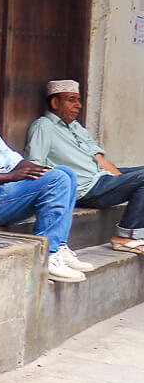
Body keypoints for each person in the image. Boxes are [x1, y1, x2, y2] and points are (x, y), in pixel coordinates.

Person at [0, 73, 92, 282]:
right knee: (58, 179)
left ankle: (59, 247)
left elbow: (14, 159)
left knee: (65, 174)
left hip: (2, 195)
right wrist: (12, 176)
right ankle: (49, 255)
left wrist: (43, 170)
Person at [26, 79, 144, 255]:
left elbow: (99, 159)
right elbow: (35, 164)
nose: (78, 105)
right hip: (87, 188)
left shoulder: (75, 127)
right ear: (55, 102)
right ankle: (126, 235)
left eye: (79, 100)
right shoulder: (44, 126)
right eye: (71, 100)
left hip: (100, 177)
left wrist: (119, 180)